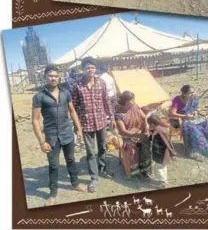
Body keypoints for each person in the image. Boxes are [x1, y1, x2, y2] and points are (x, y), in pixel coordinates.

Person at [32, 65, 86, 206]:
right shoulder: (39, 96)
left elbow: (72, 111)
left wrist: (78, 129)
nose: (53, 78)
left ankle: (75, 183)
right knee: (54, 165)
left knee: (71, 159)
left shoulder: (65, 92)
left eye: (55, 76)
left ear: (59, 77)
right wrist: (42, 141)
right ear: (45, 77)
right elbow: (35, 120)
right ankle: (53, 193)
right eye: (50, 76)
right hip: (51, 137)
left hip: (67, 133)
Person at [72, 57, 115, 193]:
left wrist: (112, 117)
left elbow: (106, 101)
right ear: (83, 69)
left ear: (95, 69)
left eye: (92, 67)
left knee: (102, 147)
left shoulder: (101, 83)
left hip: (101, 121)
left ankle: (102, 169)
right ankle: (94, 178)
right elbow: (73, 106)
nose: (90, 70)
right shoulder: (77, 85)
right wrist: (76, 125)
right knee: (90, 152)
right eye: (87, 68)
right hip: (86, 124)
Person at [115, 91, 152, 178]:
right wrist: (138, 136)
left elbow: (145, 117)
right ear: (126, 101)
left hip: (139, 132)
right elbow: (124, 131)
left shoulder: (134, 106)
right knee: (132, 148)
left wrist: (145, 129)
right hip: (128, 136)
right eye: (132, 100)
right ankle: (135, 170)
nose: (134, 101)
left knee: (148, 145)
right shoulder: (118, 115)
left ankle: (145, 169)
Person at [170, 85, 208, 159]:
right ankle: (193, 151)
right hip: (183, 118)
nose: (192, 94)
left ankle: (207, 146)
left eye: (193, 92)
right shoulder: (177, 100)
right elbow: (173, 113)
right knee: (192, 128)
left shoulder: (193, 99)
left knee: (206, 121)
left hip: (192, 116)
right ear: (184, 94)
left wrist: (195, 112)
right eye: (190, 93)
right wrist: (185, 117)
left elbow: (196, 108)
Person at [147, 114, 177, 188]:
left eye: (149, 124)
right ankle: (164, 180)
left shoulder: (158, 131)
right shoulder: (160, 129)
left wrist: (172, 152)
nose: (149, 126)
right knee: (163, 167)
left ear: (152, 124)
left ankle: (162, 182)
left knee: (157, 168)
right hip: (162, 153)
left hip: (161, 154)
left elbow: (165, 142)